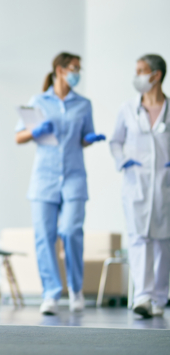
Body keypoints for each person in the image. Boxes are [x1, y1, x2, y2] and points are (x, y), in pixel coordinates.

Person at [15, 52, 105, 315]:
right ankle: (51, 294)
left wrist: (90, 137)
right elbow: (19, 136)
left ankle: (76, 290)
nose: (77, 73)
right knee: (45, 236)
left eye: (79, 69)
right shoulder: (39, 101)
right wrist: (35, 131)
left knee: (72, 231)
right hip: (44, 178)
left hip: (75, 177)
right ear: (59, 69)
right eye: (73, 68)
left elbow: (84, 138)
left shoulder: (83, 104)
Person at [110, 54, 170, 318]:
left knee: (163, 242)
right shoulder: (127, 108)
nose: (137, 76)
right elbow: (115, 141)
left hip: (165, 186)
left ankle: (159, 297)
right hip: (136, 185)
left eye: (141, 71)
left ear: (156, 75)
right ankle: (143, 296)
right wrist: (123, 161)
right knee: (138, 239)